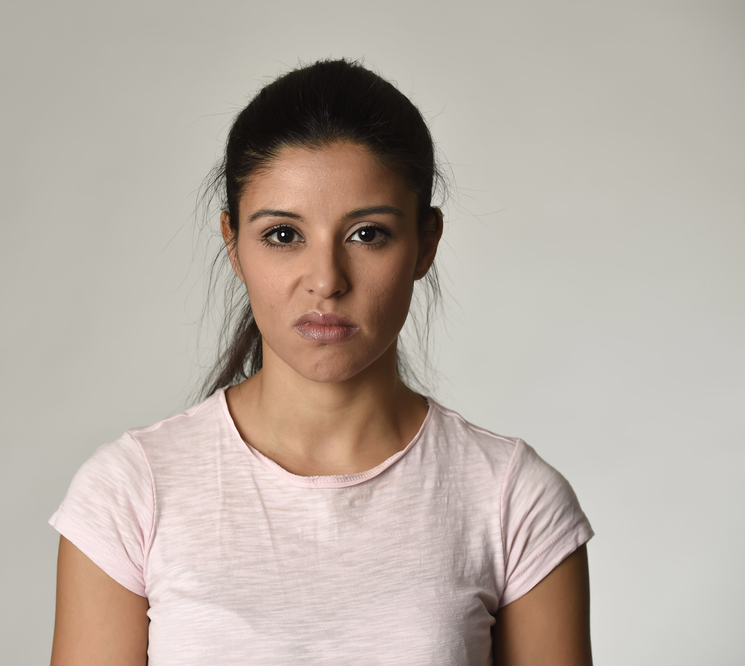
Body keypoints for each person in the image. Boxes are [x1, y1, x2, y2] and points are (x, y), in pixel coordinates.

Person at [48, 59, 594, 665]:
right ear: (233, 243)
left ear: (425, 242)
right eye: (283, 234)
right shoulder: (131, 493)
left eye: (367, 234)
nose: (326, 281)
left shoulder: (512, 499)